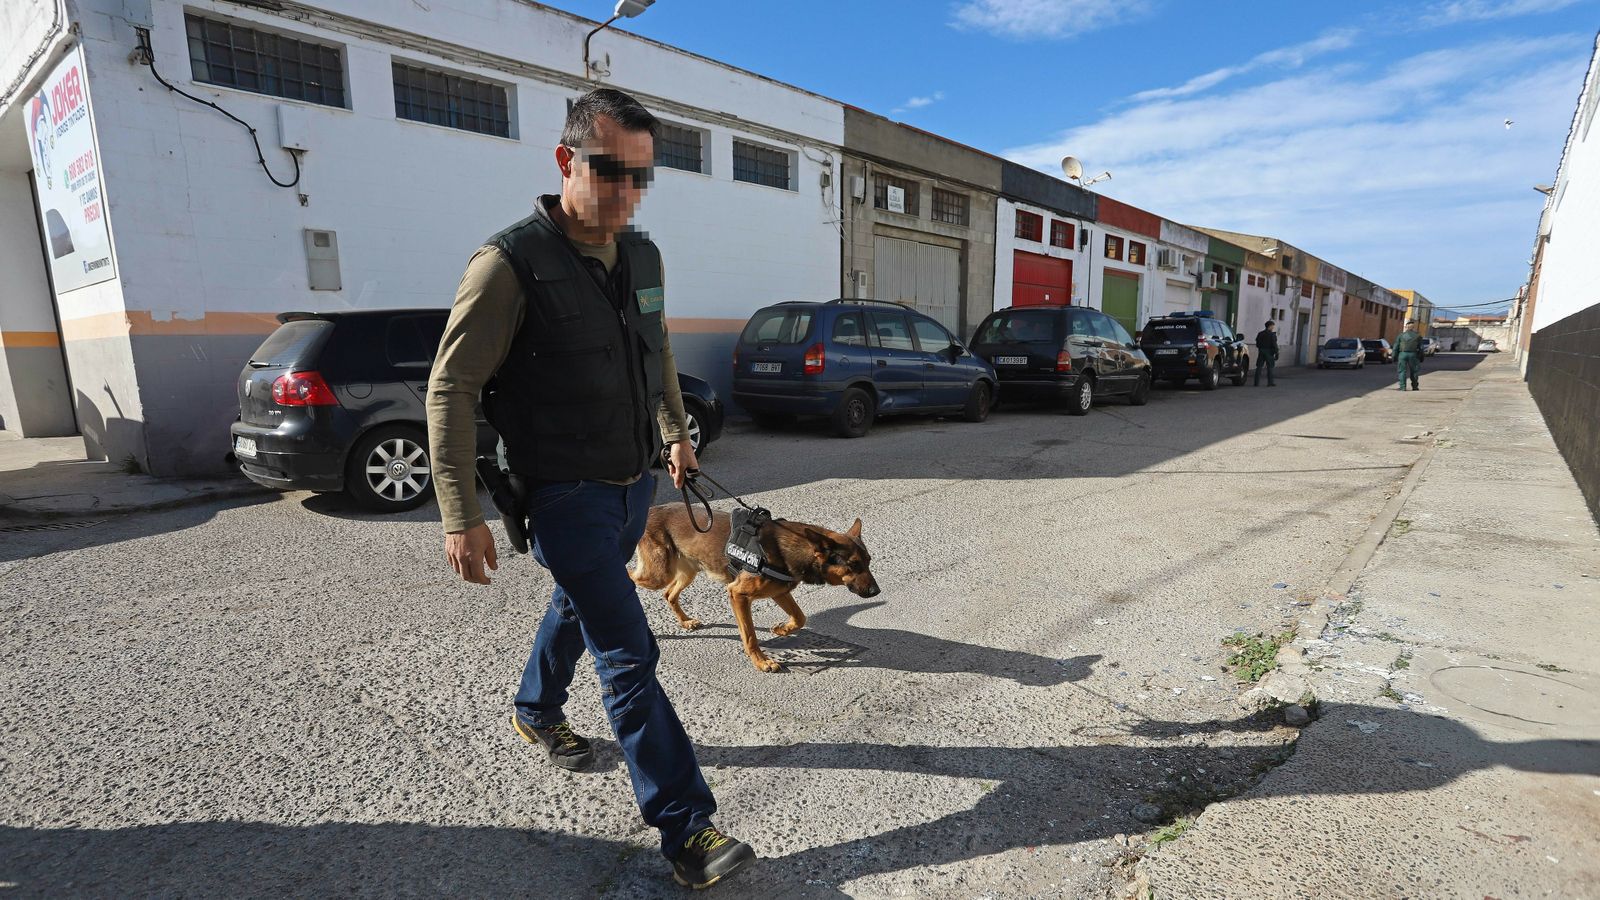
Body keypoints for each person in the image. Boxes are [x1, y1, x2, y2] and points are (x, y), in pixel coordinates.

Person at [425, 88, 756, 890]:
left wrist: (676, 434)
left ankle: (534, 710)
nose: (626, 193)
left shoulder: (641, 257)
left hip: (633, 482)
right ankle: (687, 828)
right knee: (628, 652)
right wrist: (459, 515)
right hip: (560, 493)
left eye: (641, 177)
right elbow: (450, 388)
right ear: (566, 159)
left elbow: (658, 353)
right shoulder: (508, 264)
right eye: (610, 172)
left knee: (578, 603)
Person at [1394, 321, 1422, 391]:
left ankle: (1403, 387)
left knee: (1402, 371)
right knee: (1414, 371)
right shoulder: (1418, 336)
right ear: (1413, 327)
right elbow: (1421, 348)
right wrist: (1421, 357)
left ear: (1406, 327)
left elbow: (1396, 347)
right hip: (1413, 355)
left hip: (1402, 354)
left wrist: (1394, 356)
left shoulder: (1400, 335)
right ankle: (1415, 386)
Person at [1253, 320, 1279, 386]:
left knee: (1259, 367)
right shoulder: (1272, 335)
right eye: (1272, 326)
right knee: (1270, 367)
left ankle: (1256, 382)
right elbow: (1274, 344)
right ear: (1270, 326)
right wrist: (1277, 353)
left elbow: (1257, 344)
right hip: (1269, 352)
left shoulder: (1260, 334)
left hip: (1261, 351)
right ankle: (1270, 382)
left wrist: (1261, 348)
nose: (1273, 327)